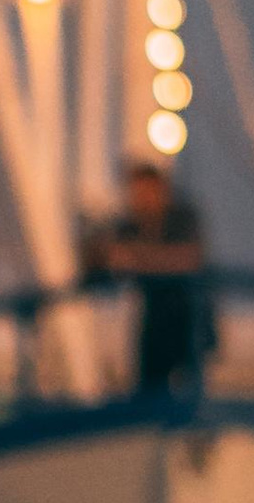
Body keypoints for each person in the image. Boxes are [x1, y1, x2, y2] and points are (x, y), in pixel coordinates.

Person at [85, 156, 211, 394]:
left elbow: (188, 259)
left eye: (144, 192)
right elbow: (102, 257)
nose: (139, 199)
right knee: (150, 388)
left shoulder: (183, 218)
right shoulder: (131, 225)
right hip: (154, 321)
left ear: (160, 190)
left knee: (190, 389)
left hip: (188, 317)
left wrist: (133, 258)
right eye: (135, 193)